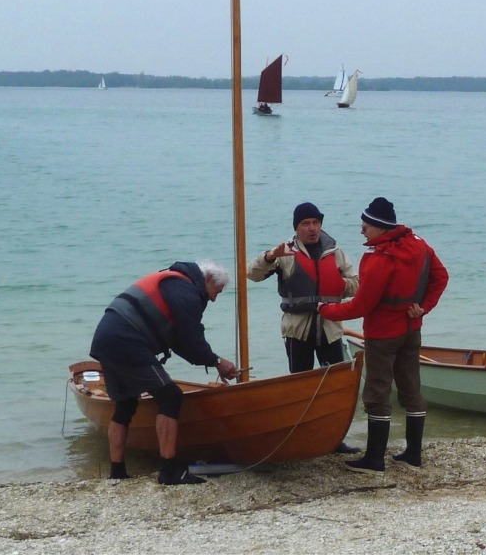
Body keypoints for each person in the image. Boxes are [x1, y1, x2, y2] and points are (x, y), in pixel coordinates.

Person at [319, 197, 449, 474]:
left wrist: (326, 310)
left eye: (365, 226)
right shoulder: (420, 244)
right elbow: (441, 277)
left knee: (377, 393)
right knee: (411, 389)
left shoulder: (378, 259)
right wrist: (424, 307)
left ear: (379, 227)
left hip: (382, 333)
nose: (362, 231)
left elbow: (362, 305)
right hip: (412, 330)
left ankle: (375, 460)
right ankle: (414, 454)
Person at [89, 260, 238, 485]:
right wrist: (217, 361)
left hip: (107, 336)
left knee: (126, 403)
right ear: (207, 280)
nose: (214, 299)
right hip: (127, 338)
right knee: (171, 396)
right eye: (216, 292)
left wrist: (210, 360)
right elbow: (191, 338)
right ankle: (169, 471)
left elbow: (180, 341)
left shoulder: (175, 282)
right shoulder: (186, 291)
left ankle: (117, 472)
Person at [247, 202, 360, 454]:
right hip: (297, 330)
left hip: (330, 328)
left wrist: (339, 284)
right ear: (297, 228)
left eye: (316, 223)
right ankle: (301, 436)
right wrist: (269, 257)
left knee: (333, 386)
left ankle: (334, 439)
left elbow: (356, 285)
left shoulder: (336, 252)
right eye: (306, 224)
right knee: (300, 387)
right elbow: (251, 274)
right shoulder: (284, 253)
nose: (312, 229)